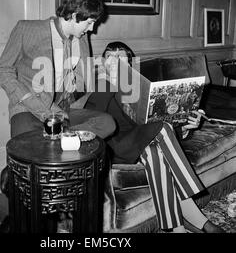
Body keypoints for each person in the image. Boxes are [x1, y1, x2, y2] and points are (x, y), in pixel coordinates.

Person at [0, 0, 116, 232]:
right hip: (28, 109)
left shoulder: (81, 39)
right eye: (90, 22)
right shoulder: (27, 29)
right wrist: (38, 105)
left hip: (62, 112)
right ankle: (30, 195)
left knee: (107, 124)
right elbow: (2, 70)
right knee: (34, 153)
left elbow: (81, 84)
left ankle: (40, 163)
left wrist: (105, 73)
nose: (92, 29)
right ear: (74, 16)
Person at [84, 41, 224, 233]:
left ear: (130, 67)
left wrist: (185, 127)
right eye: (110, 57)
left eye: (121, 59)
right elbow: (91, 118)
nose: (115, 62)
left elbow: (151, 126)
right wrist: (110, 82)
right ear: (103, 62)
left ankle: (177, 229)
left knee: (155, 155)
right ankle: (195, 206)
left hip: (141, 142)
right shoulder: (100, 85)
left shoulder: (138, 88)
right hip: (115, 146)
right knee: (161, 130)